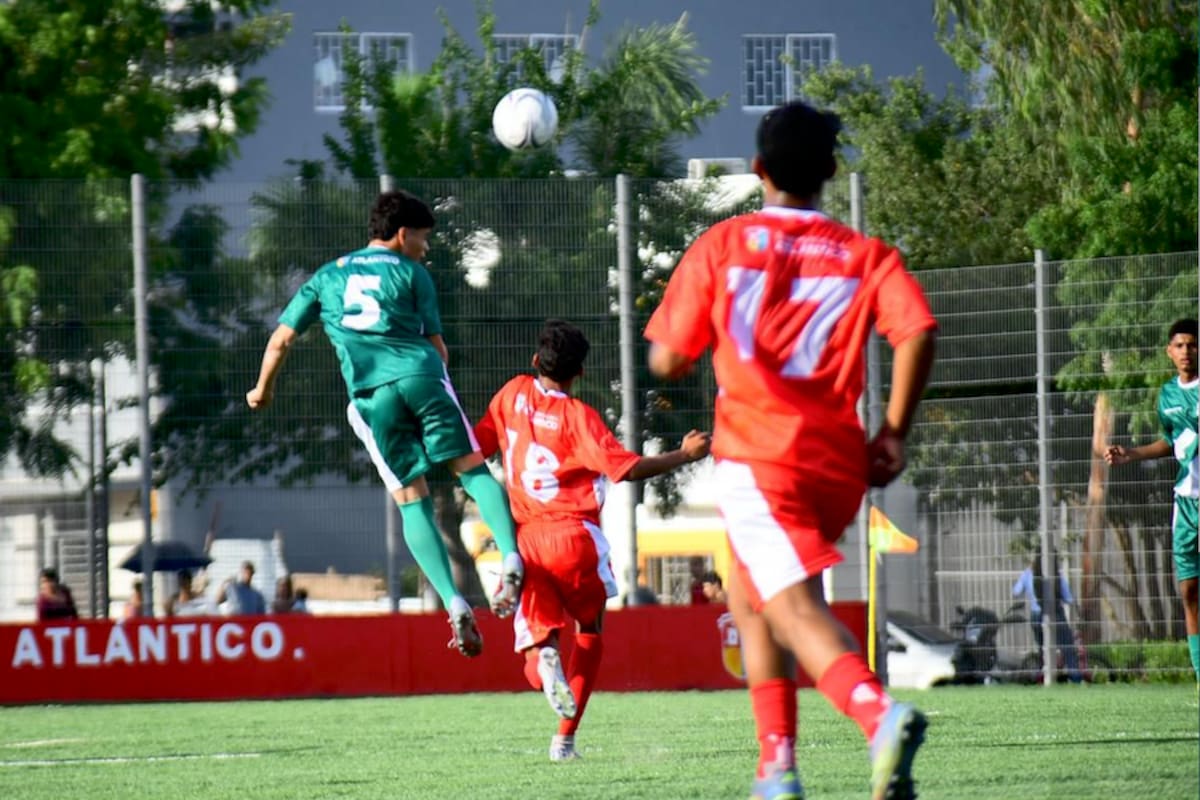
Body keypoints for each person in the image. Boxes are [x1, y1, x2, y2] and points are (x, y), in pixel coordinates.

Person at [644, 100, 938, 800]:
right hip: (837, 461)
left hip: (759, 457)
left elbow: (665, 359)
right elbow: (918, 330)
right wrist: (893, 430)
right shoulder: (865, 255)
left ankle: (879, 716)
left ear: (757, 169)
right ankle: (776, 765)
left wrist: (691, 341)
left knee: (792, 606)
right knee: (749, 596)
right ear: (830, 172)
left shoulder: (722, 244)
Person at [246, 189, 522, 658]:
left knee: (411, 501)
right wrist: (433, 387)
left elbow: (282, 339)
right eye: (423, 238)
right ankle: (512, 559)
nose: (426, 247)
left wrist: (262, 389)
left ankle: (454, 604)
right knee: (474, 472)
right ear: (401, 235)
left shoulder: (326, 277)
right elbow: (438, 349)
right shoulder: (413, 272)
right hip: (421, 376)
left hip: (371, 398)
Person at [474, 319, 711, 762]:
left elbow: (479, 444)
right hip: (576, 538)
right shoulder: (578, 417)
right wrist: (685, 454)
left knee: (536, 647)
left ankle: (546, 666)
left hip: (526, 543)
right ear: (579, 373)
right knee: (589, 631)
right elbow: (627, 469)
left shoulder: (511, 394)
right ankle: (563, 741)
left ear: (535, 361)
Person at [1105, 317, 1199, 685]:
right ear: (1169, 351)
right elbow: (1172, 441)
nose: (1186, 352)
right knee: (1189, 590)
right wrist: (1133, 453)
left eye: (1192, 344)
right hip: (1186, 504)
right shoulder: (1167, 395)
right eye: (1180, 345)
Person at [1011, 547, 1082, 682]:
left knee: (1043, 649)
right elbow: (1068, 598)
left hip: (1036, 616)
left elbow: (1016, 592)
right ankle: (1076, 678)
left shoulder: (1028, 574)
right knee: (1067, 647)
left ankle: (1043, 678)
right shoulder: (1056, 575)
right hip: (1056, 614)